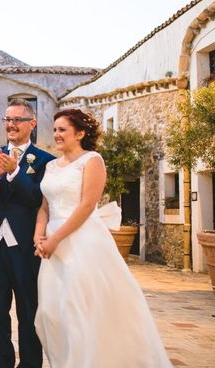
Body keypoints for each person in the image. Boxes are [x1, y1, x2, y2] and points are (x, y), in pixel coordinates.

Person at [33, 109, 172, 367]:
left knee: (78, 308)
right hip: (52, 244)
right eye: (55, 129)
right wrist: (39, 235)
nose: (56, 134)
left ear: (81, 133)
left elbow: (87, 206)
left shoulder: (92, 160)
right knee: (51, 311)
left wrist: (55, 240)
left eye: (62, 130)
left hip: (82, 241)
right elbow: (44, 206)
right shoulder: (51, 165)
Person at [0, 98, 55, 368]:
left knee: (29, 312)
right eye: (7, 119)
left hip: (26, 248)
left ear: (32, 123)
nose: (11, 125)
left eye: (17, 120)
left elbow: (35, 198)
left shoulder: (45, 162)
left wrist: (15, 171)